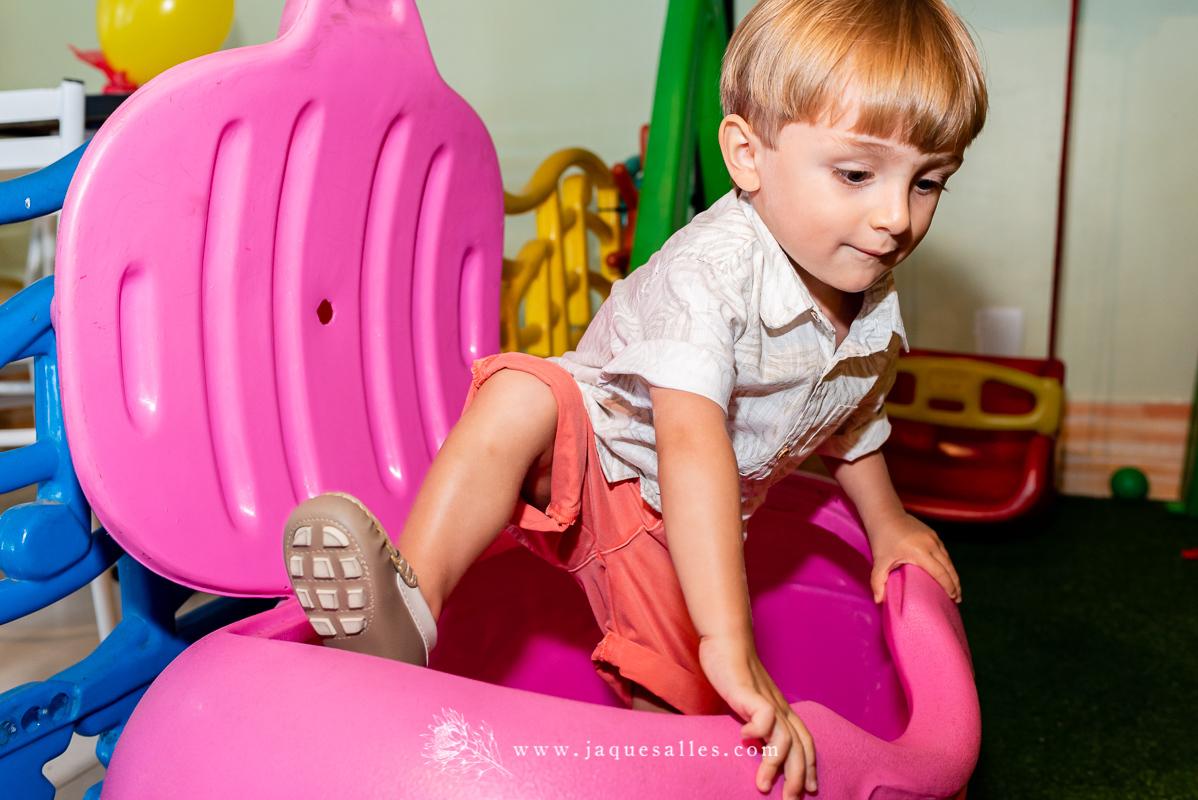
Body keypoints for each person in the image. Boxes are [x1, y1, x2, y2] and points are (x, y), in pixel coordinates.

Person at [282, 1, 986, 797]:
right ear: (747, 156)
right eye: (857, 174)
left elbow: (852, 411)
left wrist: (887, 523)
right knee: (526, 391)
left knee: (679, 719)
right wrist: (728, 635)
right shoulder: (708, 275)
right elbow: (691, 445)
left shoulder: (869, 289)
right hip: (600, 452)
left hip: (659, 527)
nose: (895, 218)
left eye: (927, 182)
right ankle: (410, 608)